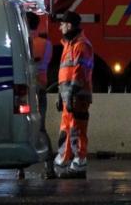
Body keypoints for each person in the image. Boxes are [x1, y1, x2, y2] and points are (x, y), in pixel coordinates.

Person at [54, 10, 94, 177]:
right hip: (69, 96)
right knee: (68, 130)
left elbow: (80, 72)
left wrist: (70, 94)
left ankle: (79, 164)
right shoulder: (70, 44)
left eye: (62, 24)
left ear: (69, 25)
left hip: (77, 96)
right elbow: (66, 73)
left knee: (76, 130)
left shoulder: (80, 45)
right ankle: (65, 163)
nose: (60, 28)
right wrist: (61, 95)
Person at [26, 12, 56, 177]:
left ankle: (20, 171)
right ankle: (49, 167)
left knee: (22, 127)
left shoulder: (25, 42)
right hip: (42, 88)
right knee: (42, 128)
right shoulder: (47, 44)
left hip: (28, 89)